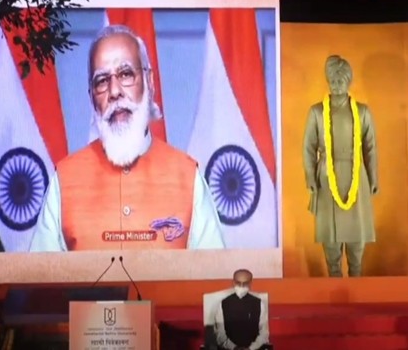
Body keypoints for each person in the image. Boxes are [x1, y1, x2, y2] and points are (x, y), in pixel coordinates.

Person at [29, 24, 225, 251]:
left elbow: (215, 278)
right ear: (91, 97)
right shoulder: (63, 180)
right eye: (102, 81)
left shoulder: (187, 176)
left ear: (149, 82)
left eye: (125, 74)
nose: (114, 92)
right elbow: (39, 281)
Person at [302, 55, 379, 277]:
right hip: (327, 178)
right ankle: (334, 285)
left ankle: (356, 283)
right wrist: (311, 178)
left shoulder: (362, 112)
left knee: (357, 240)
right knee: (331, 241)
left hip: (356, 177)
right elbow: (308, 147)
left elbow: (370, 148)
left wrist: (373, 179)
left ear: (348, 82)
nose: (336, 86)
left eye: (341, 81)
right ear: (327, 81)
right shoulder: (317, 112)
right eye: (333, 81)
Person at [212, 269, 270, 350]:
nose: (241, 286)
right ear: (233, 282)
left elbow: (264, 333)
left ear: (250, 283)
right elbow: (220, 334)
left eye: (245, 283)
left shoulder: (259, 304)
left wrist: (251, 348)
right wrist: (234, 348)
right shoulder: (223, 304)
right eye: (238, 283)